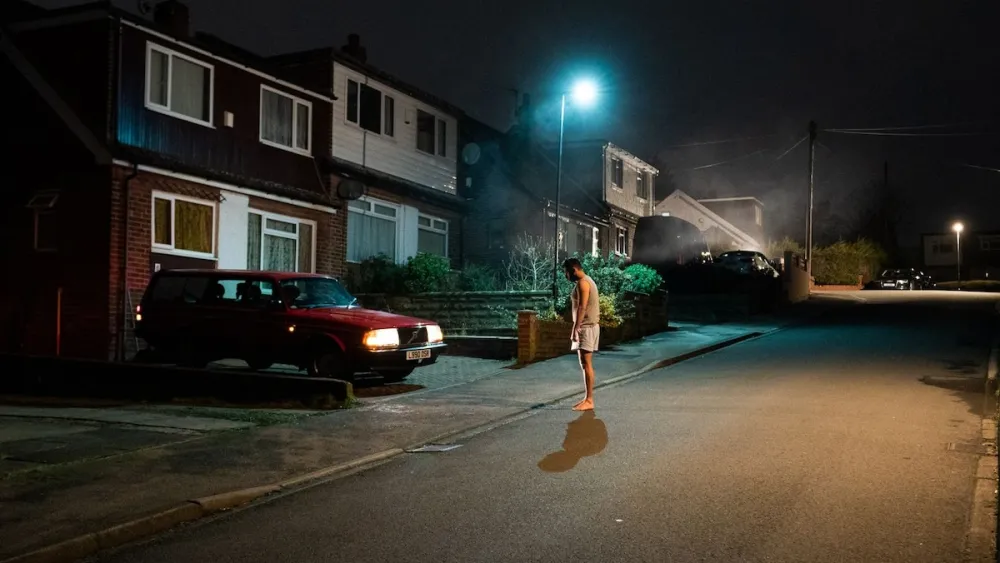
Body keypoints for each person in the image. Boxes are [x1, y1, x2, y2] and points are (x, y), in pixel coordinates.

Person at [564, 258, 600, 411]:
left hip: (585, 327)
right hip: (588, 326)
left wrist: (575, 328)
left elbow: (582, 307)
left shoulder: (582, 283)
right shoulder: (589, 280)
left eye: (566, 272)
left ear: (573, 270)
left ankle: (590, 400)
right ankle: (587, 398)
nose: (566, 276)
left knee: (586, 364)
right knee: (585, 364)